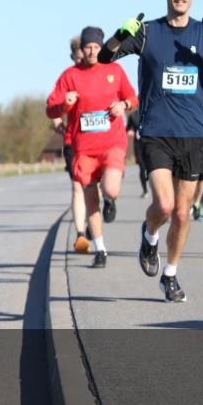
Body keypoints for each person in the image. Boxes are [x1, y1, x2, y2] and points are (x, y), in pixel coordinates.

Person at [99, 0, 203, 302]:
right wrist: (120, 33)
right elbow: (105, 56)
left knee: (182, 211)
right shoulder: (148, 33)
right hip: (156, 132)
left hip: (193, 134)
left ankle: (170, 274)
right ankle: (149, 236)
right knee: (164, 203)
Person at [48, 26, 137, 268]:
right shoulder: (70, 75)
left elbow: (132, 96)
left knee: (110, 189)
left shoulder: (114, 70)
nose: (92, 51)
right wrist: (64, 106)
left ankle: (111, 199)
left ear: (103, 46)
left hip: (112, 144)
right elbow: (51, 108)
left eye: (97, 46)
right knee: (90, 201)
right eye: (87, 47)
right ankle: (100, 249)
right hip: (83, 149)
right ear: (82, 49)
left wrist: (124, 104)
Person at [52, 37, 92, 253]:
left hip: (97, 142)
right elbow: (54, 106)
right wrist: (58, 121)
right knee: (78, 187)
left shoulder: (99, 74)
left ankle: (96, 216)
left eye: (83, 54)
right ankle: (81, 236)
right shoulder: (68, 77)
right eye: (76, 56)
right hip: (73, 141)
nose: (80, 59)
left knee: (94, 189)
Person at [126, 106, 148, 197]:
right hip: (138, 144)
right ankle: (145, 190)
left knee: (152, 167)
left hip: (151, 144)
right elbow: (128, 128)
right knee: (142, 168)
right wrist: (130, 131)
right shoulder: (133, 115)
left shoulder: (150, 112)